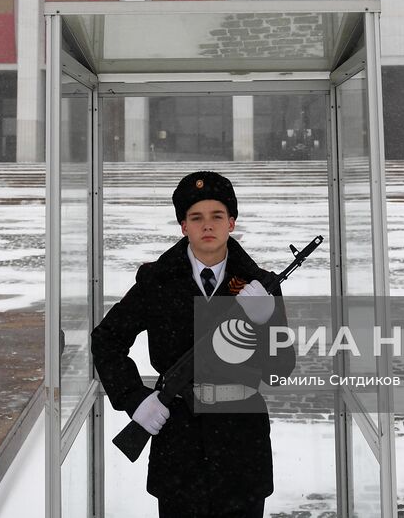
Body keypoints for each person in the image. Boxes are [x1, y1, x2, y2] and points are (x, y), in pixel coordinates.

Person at [91, 170, 295, 518]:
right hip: (179, 440)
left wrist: (265, 321)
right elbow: (106, 339)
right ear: (183, 226)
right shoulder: (157, 281)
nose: (207, 226)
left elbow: (280, 369)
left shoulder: (257, 285)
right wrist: (135, 399)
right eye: (196, 217)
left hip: (241, 443)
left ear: (232, 223)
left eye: (217, 216)